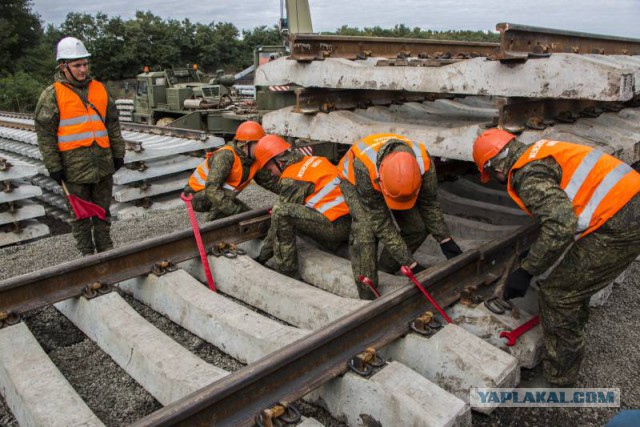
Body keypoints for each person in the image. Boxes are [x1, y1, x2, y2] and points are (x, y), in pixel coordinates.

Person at [473, 128, 640, 387]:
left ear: (495, 167)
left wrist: (526, 270)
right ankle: (573, 329)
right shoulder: (539, 151)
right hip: (625, 205)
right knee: (573, 279)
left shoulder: (527, 175)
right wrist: (538, 252)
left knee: (557, 295)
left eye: (491, 174)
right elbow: (567, 210)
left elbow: (561, 225)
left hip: (621, 222)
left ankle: (561, 375)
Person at [338, 133, 463, 299]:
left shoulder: (423, 163)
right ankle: (367, 293)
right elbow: (381, 222)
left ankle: (386, 268)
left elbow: (428, 204)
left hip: (390, 182)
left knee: (417, 228)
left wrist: (445, 240)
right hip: (355, 183)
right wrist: (410, 262)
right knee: (365, 232)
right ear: (381, 180)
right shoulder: (364, 166)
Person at [35, 37, 125, 255]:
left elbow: (112, 124)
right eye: (77, 65)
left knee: (102, 212)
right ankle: (86, 256)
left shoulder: (99, 89)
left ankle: (106, 251)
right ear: (63, 66)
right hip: (73, 168)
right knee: (80, 216)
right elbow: (45, 135)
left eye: (85, 64)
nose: (83, 69)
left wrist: (118, 153)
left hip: (103, 164)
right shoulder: (52, 95)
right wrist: (54, 166)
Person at [255, 135, 351, 279]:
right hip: (352, 222)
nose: (272, 174)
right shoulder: (315, 159)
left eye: (270, 169)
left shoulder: (292, 178)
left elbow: (279, 222)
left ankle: (287, 271)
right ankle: (334, 248)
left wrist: (262, 257)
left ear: (279, 162)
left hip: (336, 228)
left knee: (281, 212)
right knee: (297, 214)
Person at [183, 121, 279, 220]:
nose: (262, 148)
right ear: (246, 145)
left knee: (249, 215)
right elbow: (212, 189)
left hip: (222, 194)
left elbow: (269, 182)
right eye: (259, 145)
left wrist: (292, 192)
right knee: (236, 211)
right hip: (195, 196)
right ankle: (213, 226)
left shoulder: (253, 160)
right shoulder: (225, 156)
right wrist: (235, 211)